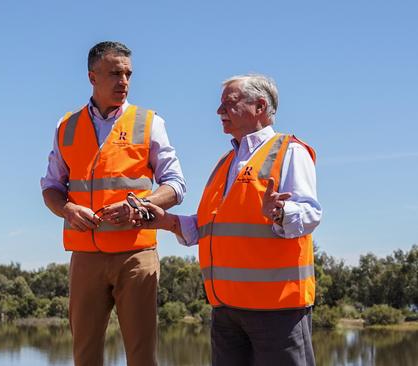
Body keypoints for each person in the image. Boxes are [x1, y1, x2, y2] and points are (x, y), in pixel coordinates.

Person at [137, 74, 322, 365]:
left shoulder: (290, 151)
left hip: (276, 311)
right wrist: (168, 222)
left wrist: (280, 212)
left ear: (260, 106)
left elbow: (310, 214)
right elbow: (208, 226)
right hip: (226, 311)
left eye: (229, 104)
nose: (219, 112)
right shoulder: (225, 163)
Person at [40, 41, 186, 366]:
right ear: (92, 77)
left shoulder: (149, 123)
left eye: (128, 74)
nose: (123, 81)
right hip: (86, 258)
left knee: (141, 356)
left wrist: (140, 205)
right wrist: (66, 209)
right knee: (85, 356)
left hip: (136, 255)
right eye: (114, 73)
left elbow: (176, 185)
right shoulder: (66, 126)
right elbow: (51, 187)